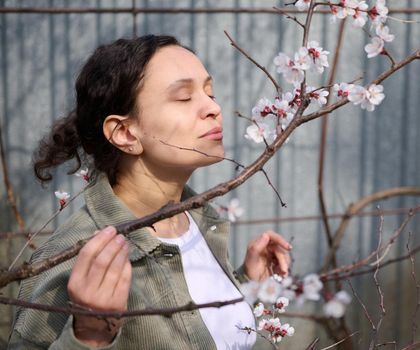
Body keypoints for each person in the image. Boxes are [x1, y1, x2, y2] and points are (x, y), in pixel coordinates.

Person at [8, 34, 292, 349]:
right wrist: (89, 335)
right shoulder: (77, 258)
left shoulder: (197, 221)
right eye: (184, 97)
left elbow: (200, 331)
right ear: (125, 133)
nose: (213, 107)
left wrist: (247, 284)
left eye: (209, 92)